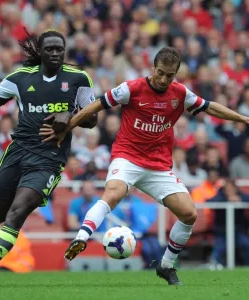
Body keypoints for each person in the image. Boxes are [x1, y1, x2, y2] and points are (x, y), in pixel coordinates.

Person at [40, 47, 249, 285]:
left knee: (189, 213)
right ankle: (81, 237)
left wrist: (243, 118)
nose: (163, 79)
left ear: (175, 74)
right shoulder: (132, 88)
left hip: (158, 166)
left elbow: (209, 106)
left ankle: (166, 266)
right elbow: (96, 105)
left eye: (169, 75)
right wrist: (68, 127)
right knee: (113, 193)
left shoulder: (180, 93)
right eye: (160, 72)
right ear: (153, 67)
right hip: (127, 157)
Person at [0, 29, 97, 287]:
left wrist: (69, 119)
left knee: (16, 213)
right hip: (17, 153)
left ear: (64, 51)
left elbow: (92, 119)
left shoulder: (78, 79)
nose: (55, 53)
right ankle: (2, 238)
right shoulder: (19, 78)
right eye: (49, 49)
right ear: (40, 52)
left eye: (59, 49)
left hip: (49, 159)